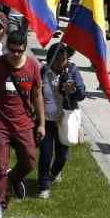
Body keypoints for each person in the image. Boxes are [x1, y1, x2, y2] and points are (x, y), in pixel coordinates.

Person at [0, 28, 45, 204]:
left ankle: (13, 179)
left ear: (25, 48)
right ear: (6, 47)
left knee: (30, 160)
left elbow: (37, 95)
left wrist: (41, 124)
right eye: (12, 50)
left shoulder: (33, 66)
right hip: (0, 124)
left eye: (20, 51)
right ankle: (1, 203)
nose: (16, 54)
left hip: (23, 123)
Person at [38, 43, 84, 199]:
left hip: (65, 120)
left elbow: (81, 94)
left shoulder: (72, 70)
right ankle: (43, 185)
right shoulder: (43, 71)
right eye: (56, 59)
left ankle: (54, 173)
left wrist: (73, 90)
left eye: (63, 59)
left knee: (62, 155)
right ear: (50, 59)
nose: (60, 63)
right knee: (45, 153)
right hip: (47, 119)